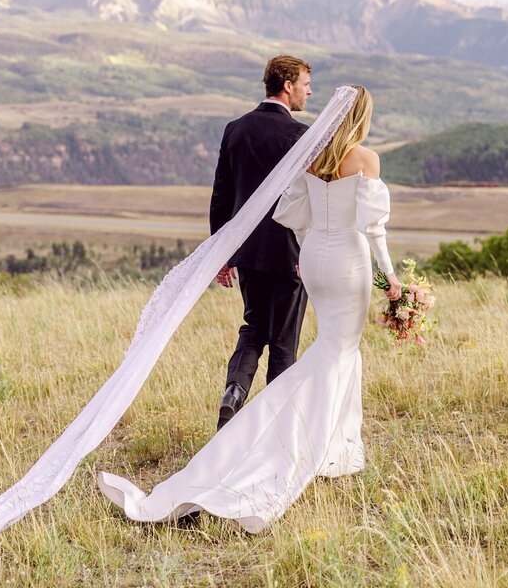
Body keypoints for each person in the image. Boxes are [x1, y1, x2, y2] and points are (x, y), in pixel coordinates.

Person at [96, 84, 401, 532]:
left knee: (329, 350)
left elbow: (294, 213)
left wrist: (310, 246)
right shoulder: (365, 159)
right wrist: (391, 278)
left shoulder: (312, 157)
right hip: (346, 260)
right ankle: (316, 448)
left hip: (314, 257)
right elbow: (373, 229)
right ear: (362, 117)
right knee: (338, 351)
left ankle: (339, 449)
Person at [209, 54, 313, 429]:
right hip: (290, 254)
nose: (308, 91)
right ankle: (275, 427)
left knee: (253, 325)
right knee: (284, 341)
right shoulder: (300, 136)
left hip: (247, 253)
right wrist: (310, 248)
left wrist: (222, 252)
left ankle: (234, 392)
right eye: (304, 84)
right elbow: (309, 198)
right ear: (287, 86)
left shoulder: (234, 129)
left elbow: (221, 195)